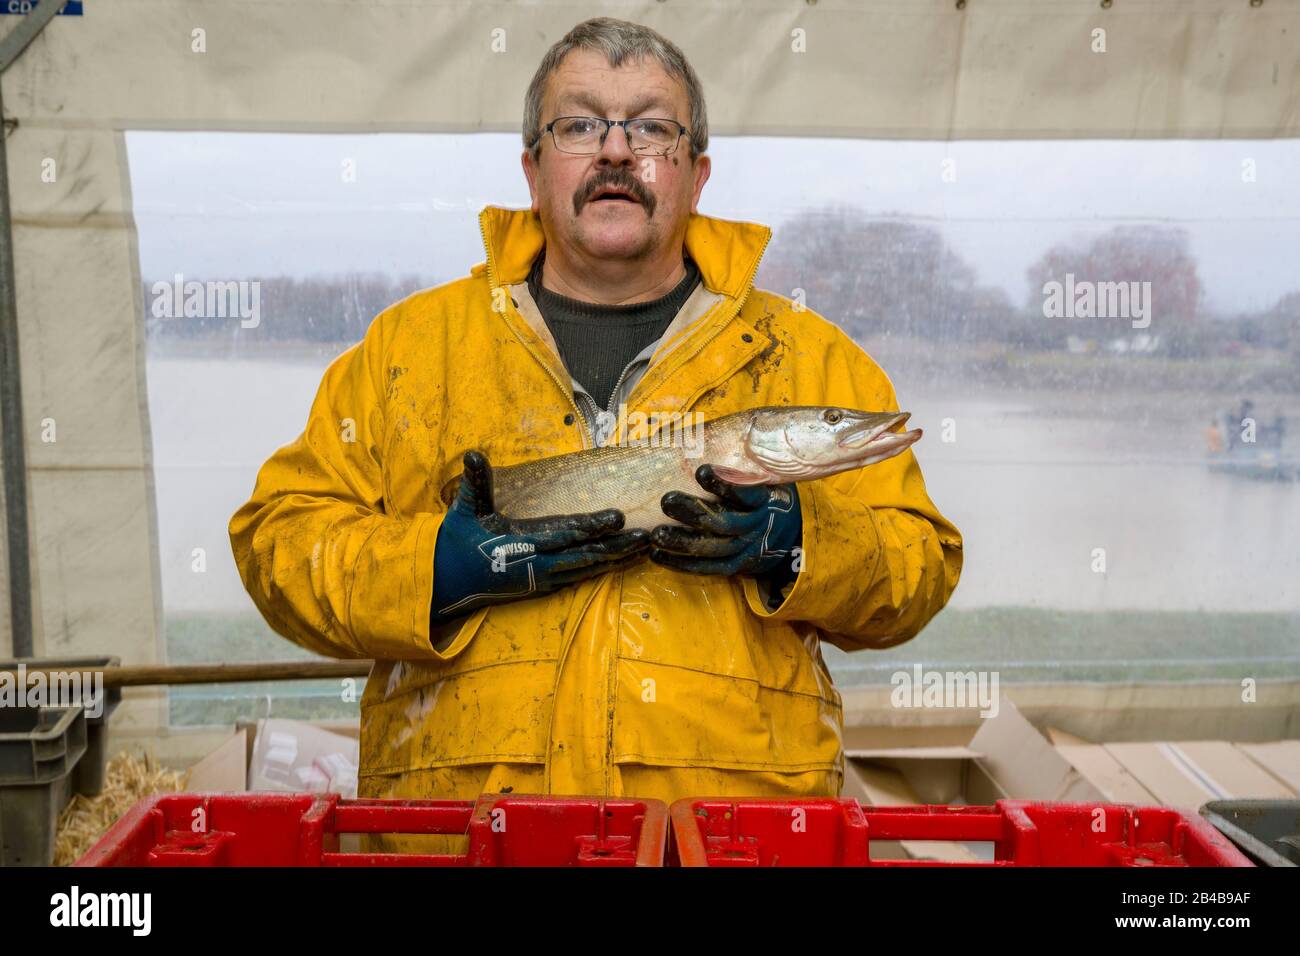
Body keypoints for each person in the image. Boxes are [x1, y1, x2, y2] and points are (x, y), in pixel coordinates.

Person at [229, 17, 962, 852]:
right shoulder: (410, 350)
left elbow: (920, 566)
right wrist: (434, 570)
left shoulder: (809, 355)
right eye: (580, 125)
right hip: (467, 840)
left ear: (695, 174)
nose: (617, 152)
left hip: (727, 842)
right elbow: (276, 541)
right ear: (534, 171)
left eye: (652, 127)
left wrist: (802, 546)